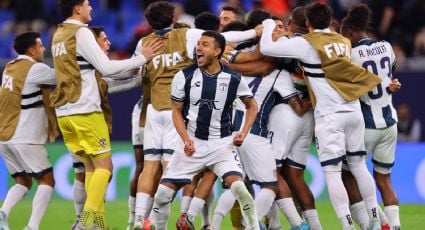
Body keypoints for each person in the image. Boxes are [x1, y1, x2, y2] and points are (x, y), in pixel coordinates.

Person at [132, 2, 261, 229]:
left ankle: (253, 226)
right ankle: (159, 224)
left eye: (205, 44)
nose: (198, 48)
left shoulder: (233, 79)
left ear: (218, 51)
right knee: (162, 195)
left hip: (221, 145)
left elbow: (252, 106)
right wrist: (185, 140)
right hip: (193, 145)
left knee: (240, 188)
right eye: (198, 44)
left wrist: (243, 132)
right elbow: (176, 112)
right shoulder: (184, 76)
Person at [260, 2, 382, 229]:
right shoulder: (343, 41)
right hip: (354, 112)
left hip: (330, 116)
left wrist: (268, 25)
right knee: (359, 167)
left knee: (333, 173)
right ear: (330, 21)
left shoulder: (305, 43)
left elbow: (267, 48)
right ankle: (375, 217)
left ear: (307, 24)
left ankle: (347, 225)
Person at [51, 1, 162, 229]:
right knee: (105, 168)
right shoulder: (80, 32)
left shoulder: (58, 35)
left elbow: (97, 77)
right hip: (84, 109)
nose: (91, 7)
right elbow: (107, 68)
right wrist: (143, 58)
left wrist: (135, 74)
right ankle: (83, 223)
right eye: (87, 4)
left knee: (91, 169)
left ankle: (99, 225)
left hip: (65, 111)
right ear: (77, 8)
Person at [340, 4, 401, 229]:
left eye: (344, 35)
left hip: (365, 126)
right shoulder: (386, 47)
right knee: (384, 180)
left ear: (351, 33)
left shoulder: (351, 54)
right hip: (390, 124)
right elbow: (390, 72)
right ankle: (393, 226)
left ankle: (369, 224)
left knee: (349, 176)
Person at [0, 31, 57, 230]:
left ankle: (2, 214)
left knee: (23, 182)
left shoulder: (10, 67)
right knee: (47, 180)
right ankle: (32, 227)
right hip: (26, 136)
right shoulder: (36, 68)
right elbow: (65, 74)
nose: (44, 49)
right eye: (41, 45)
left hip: (5, 137)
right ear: (32, 50)